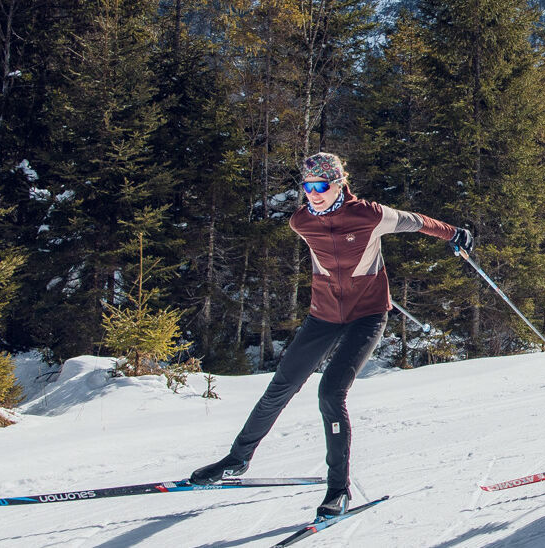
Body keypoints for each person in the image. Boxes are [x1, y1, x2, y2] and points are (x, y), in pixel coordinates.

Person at [189, 152, 473, 519]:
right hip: (323, 316)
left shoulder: (369, 214)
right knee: (282, 385)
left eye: (321, 186)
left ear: (339, 183)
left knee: (330, 391)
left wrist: (454, 233)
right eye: (307, 187)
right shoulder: (301, 221)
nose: (314, 193)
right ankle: (238, 459)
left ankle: (338, 489)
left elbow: (415, 221)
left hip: (367, 316)